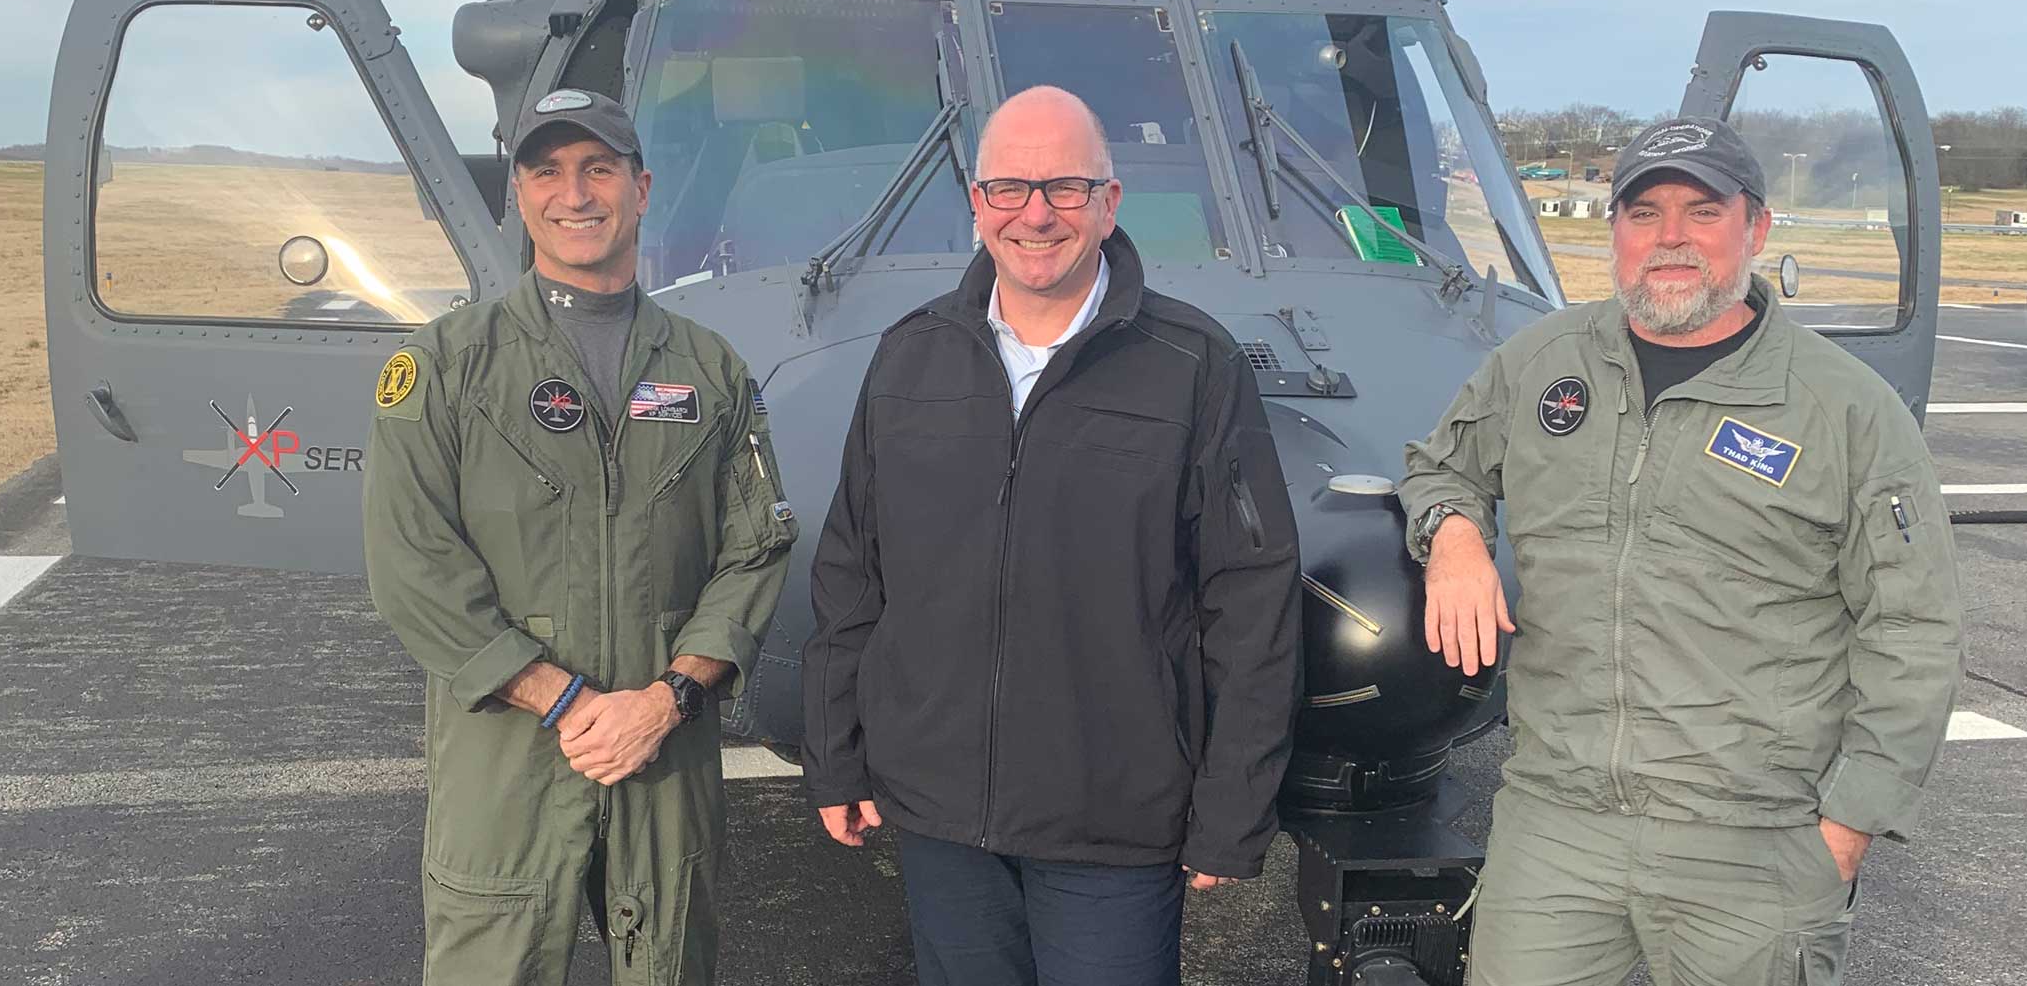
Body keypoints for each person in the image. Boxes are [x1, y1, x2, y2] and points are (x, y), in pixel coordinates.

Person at [1401, 115, 1964, 986]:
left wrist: (1849, 825)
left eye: (1702, 212)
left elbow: (1915, 629)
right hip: (1558, 823)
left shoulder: (1845, 408)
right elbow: (1440, 466)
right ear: (1614, 231)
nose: (1670, 238)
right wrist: (1455, 535)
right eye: (1643, 213)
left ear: (1757, 228)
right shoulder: (1543, 363)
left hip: (1754, 841)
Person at [800, 85, 1302, 986]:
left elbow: (1249, 596)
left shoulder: (1195, 366)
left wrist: (1233, 807)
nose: (1037, 214)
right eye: (1010, 189)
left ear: (1109, 205)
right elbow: (852, 573)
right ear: (977, 203)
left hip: (1111, 816)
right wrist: (836, 757)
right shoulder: (910, 357)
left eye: (1067, 188)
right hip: (941, 813)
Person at [363, 88, 796, 986]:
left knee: (672, 965)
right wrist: (565, 700)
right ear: (519, 195)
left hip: (660, 753)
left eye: (599, 168)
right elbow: (414, 569)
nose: (576, 192)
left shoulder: (709, 370)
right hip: (508, 765)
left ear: (641, 187)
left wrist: (668, 698)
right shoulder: (445, 366)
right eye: (548, 170)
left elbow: (753, 550)